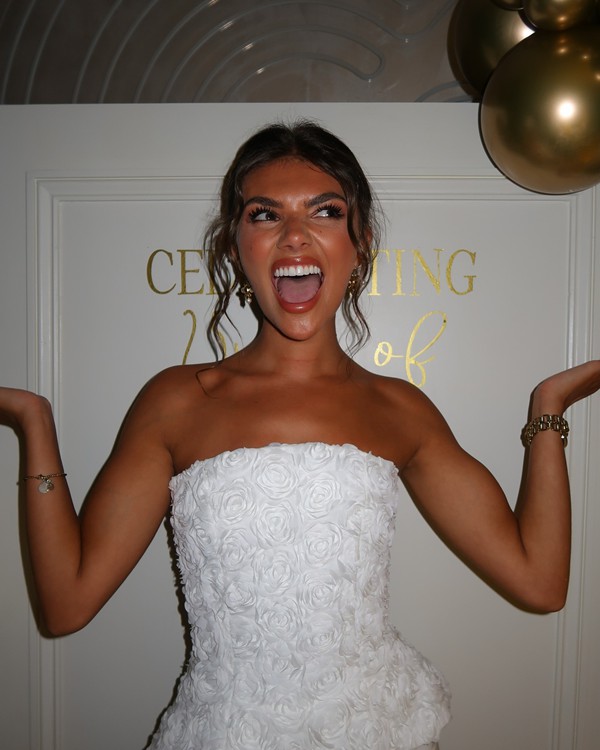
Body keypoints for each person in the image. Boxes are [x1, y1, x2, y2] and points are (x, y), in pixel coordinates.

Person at [1, 120, 599, 750]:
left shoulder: (399, 408)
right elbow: (66, 605)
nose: (294, 234)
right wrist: (34, 422)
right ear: (235, 247)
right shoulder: (176, 400)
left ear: (359, 243)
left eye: (326, 211)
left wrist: (548, 411)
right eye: (264, 214)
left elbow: (539, 582)